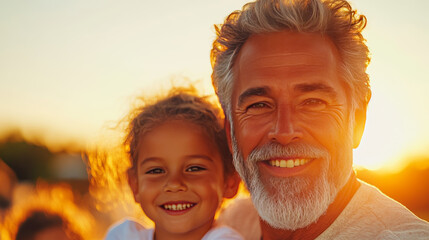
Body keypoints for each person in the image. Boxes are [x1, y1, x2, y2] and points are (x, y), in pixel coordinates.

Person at [210, 0, 429, 239]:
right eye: (259, 105)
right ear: (231, 133)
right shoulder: (230, 224)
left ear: (357, 120)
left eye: (313, 102)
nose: (284, 132)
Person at [105, 88, 243, 240]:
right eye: (156, 171)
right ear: (135, 184)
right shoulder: (123, 236)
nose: (174, 184)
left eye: (194, 168)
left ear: (230, 181)